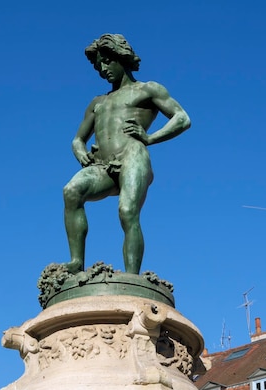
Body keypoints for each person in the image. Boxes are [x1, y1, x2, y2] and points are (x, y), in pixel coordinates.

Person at [63, 34, 191, 275]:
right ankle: (76, 262)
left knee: (127, 211)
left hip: (133, 155)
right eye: (98, 64)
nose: (103, 69)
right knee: (71, 191)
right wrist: (80, 153)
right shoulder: (98, 102)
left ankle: (132, 277)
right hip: (102, 164)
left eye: (107, 61)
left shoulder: (148, 89)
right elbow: (78, 139)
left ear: (122, 58)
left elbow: (182, 118)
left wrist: (150, 138)